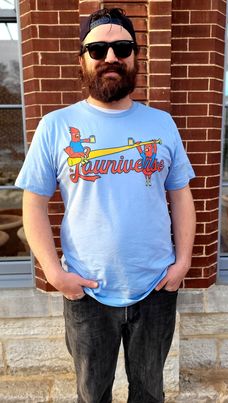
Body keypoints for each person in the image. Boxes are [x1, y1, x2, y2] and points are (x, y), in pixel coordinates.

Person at [15, 7, 196, 403]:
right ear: (82, 59)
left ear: (135, 56)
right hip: (87, 292)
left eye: (122, 47)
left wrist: (182, 263)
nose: (110, 57)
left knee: (149, 393)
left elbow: (181, 194)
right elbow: (33, 204)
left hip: (156, 287)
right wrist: (53, 273)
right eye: (98, 49)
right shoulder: (56, 125)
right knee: (92, 394)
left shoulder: (162, 123)